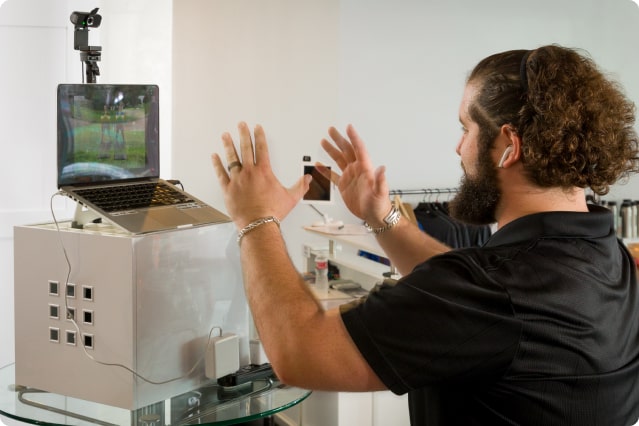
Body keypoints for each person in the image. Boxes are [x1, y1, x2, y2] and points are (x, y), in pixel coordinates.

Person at [210, 44, 639, 425]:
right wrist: (382, 217)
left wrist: (257, 219)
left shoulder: (493, 293)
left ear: (510, 145)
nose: (458, 149)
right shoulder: (609, 256)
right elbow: (460, 296)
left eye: (465, 129)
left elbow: (299, 353)